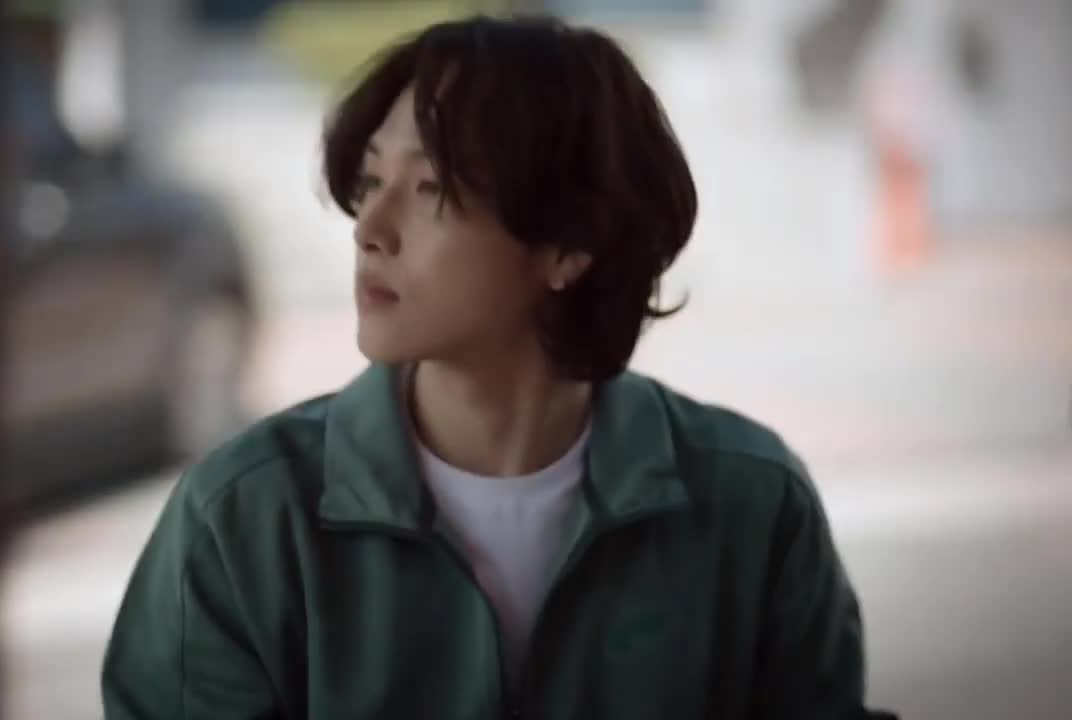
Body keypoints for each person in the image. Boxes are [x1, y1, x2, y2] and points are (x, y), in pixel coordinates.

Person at [103, 15, 895, 720]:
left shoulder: (751, 504)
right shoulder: (244, 519)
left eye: (430, 187)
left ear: (569, 245)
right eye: (371, 181)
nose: (370, 228)